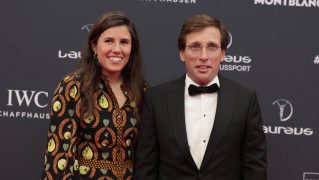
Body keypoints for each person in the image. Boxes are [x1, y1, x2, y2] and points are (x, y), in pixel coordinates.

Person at [134, 14, 267, 180]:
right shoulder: (156, 99)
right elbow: (145, 167)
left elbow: (254, 167)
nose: (204, 56)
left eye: (212, 47)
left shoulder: (245, 99)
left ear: (223, 53)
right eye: (195, 47)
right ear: (182, 53)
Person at [42, 11, 147, 179]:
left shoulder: (141, 90)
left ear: (132, 48)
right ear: (94, 46)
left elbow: (146, 155)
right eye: (109, 41)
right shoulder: (74, 86)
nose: (117, 49)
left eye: (124, 42)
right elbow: (58, 154)